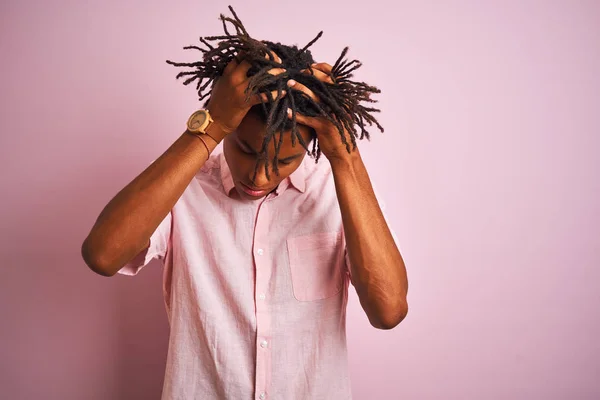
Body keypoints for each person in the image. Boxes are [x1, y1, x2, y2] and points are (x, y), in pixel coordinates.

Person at [81, 7, 408, 400]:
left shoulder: (337, 195)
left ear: (311, 146)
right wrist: (211, 124)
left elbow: (388, 311)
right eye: (247, 150)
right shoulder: (184, 187)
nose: (259, 176)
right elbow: (102, 254)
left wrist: (346, 158)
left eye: (284, 161)